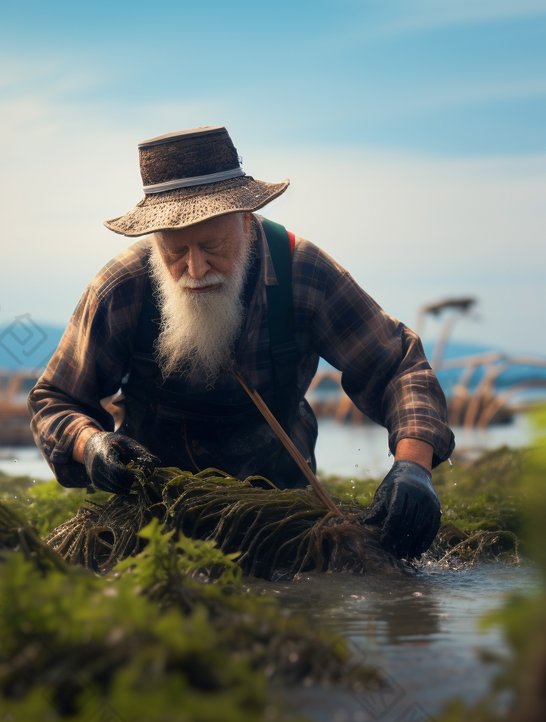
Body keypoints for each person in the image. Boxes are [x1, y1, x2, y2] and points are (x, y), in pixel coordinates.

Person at [29, 125, 455, 559]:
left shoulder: (302, 271)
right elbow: (54, 399)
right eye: (175, 252)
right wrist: (91, 446)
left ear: (247, 222)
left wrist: (413, 465)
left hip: (283, 514)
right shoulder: (122, 287)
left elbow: (398, 367)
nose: (195, 269)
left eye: (211, 245)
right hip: (153, 520)